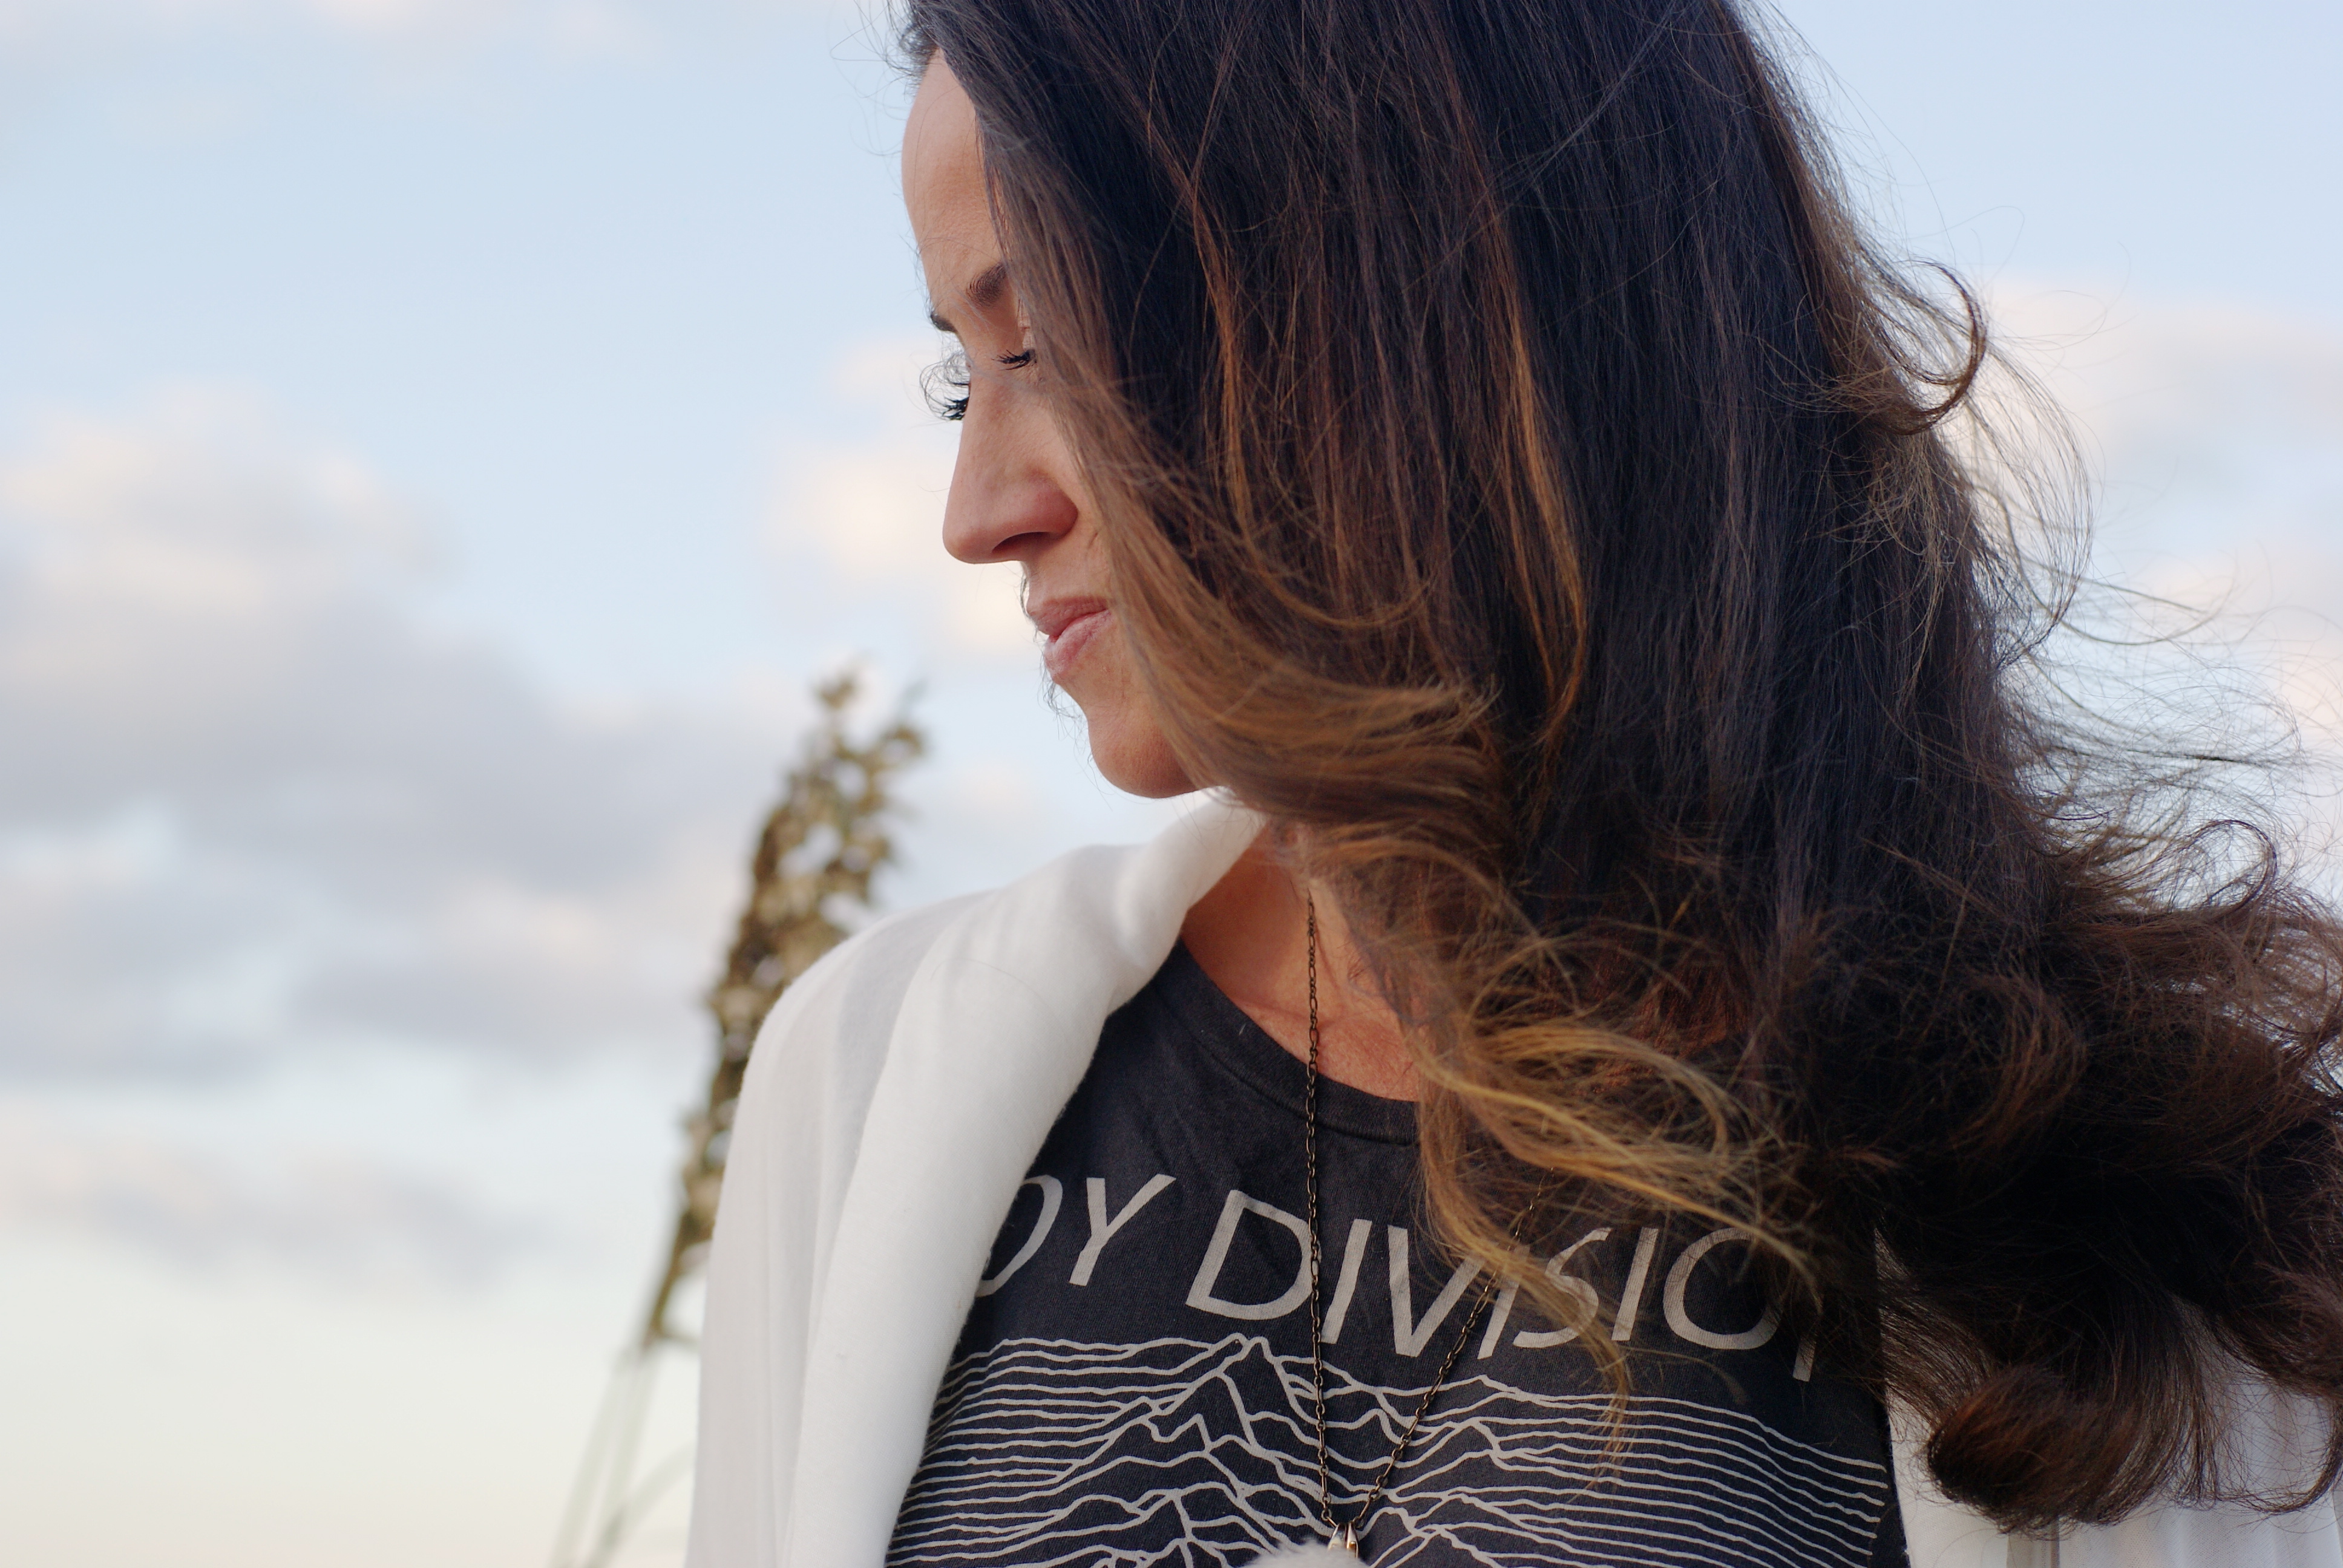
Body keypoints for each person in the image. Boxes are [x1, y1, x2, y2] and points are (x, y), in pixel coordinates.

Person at [686, 2, 2343, 1564]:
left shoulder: (2186, 1211)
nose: (976, 513)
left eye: (1045, 341)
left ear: (1429, 316)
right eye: (960, 373)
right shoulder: (875, 1071)